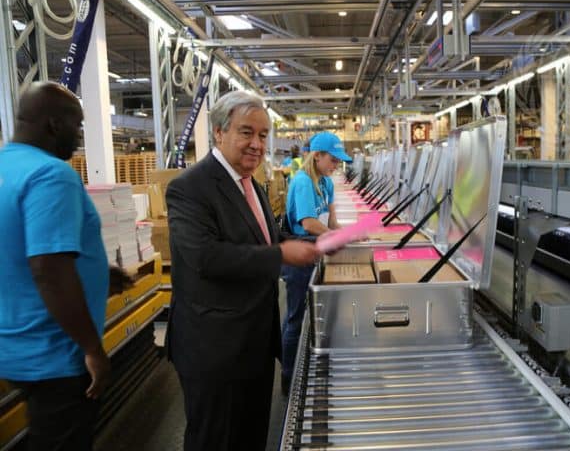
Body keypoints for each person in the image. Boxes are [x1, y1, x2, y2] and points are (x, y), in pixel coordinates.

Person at [165, 90, 319, 451]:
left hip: (253, 341)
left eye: (263, 135)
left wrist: (307, 245)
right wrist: (282, 253)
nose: (257, 144)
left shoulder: (251, 182)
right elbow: (205, 256)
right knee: (215, 439)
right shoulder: (189, 188)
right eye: (246, 132)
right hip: (214, 349)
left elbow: (262, 235)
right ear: (219, 132)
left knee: (251, 434)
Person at [0, 82, 131, 450]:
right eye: (78, 126)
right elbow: (48, 269)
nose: (80, 136)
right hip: (55, 353)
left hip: (13, 345)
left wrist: (100, 276)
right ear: (55, 125)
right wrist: (92, 348)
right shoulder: (51, 175)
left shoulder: (6, 167)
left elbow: (17, 251)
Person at [281, 132, 351, 393]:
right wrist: (336, 236)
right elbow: (308, 223)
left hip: (316, 252)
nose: (336, 166)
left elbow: (331, 222)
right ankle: (288, 380)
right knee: (296, 316)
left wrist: (348, 234)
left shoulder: (326, 183)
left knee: (312, 313)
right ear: (317, 156)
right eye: (332, 160)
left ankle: (307, 366)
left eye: (338, 162)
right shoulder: (302, 182)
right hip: (298, 256)